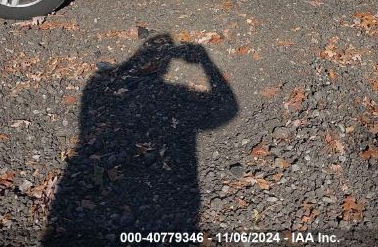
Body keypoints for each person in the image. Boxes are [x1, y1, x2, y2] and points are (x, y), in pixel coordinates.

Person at [44, 33, 238, 245]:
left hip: (85, 184)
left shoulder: (97, 82)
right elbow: (226, 110)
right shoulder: (168, 91)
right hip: (171, 193)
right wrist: (205, 61)